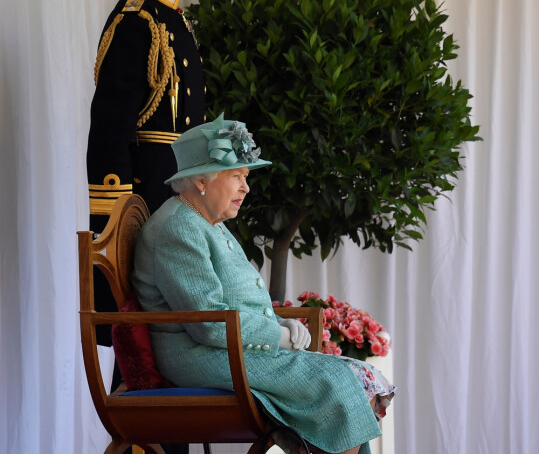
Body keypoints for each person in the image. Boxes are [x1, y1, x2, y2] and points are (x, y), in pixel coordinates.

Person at [132, 114, 395, 454]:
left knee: (351, 376)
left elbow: (239, 302)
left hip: (228, 349)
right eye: (237, 176)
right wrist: (278, 336)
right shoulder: (178, 227)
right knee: (338, 383)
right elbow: (209, 325)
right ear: (201, 180)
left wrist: (279, 321)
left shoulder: (205, 220)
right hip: (200, 356)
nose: (246, 187)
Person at [86, 0, 217, 454]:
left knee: (169, 344)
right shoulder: (137, 21)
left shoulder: (171, 17)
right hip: (145, 207)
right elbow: (110, 134)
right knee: (145, 349)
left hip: (179, 203)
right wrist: (116, 229)